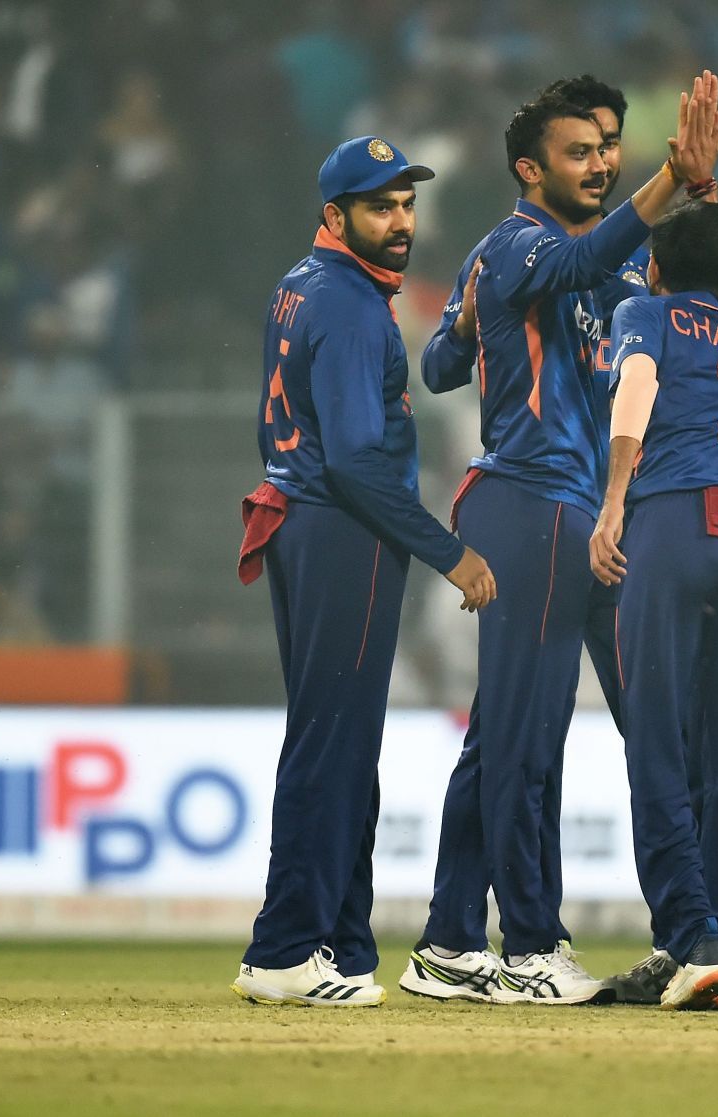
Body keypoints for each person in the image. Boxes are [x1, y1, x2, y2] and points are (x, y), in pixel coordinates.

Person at [404, 73, 718, 1006]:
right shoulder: (516, 245)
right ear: (529, 169)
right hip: (533, 502)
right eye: (579, 151)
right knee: (526, 735)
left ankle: (451, 941)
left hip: (595, 518)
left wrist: (697, 195)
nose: (598, 163)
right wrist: (669, 185)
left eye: (605, 148)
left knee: (589, 729)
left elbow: (442, 358)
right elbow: (446, 360)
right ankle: (531, 944)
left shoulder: (601, 261)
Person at [230, 134, 496, 1009]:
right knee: (333, 742)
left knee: (337, 738)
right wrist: (447, 549)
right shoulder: (347, 303)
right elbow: (353, 461)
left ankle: (340, 942)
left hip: (301, 521)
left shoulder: (303, 284)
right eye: (381, 206)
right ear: (335, 215)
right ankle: (284, 948)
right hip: (341, 529)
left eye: (408, 203)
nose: (401, 221)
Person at [589, 200, 718, 1010]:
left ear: (657, 267)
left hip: (669, 520)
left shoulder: (645, 311)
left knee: (657, 735)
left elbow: (634, 390)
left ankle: (692, 938)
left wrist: (613, 500)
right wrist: (716, 211)